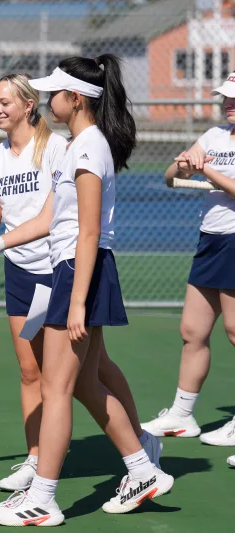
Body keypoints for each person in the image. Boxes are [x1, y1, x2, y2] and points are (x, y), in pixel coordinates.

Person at [0, 73, 161, 492]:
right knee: (32, 372)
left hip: (59, 272)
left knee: (87, 371)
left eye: (4, 102)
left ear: (28, 105)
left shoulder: (60, 148)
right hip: (20, 273)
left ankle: (138, 445)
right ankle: (38, 461)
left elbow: (61, 222)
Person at [0, 56, 174, 526]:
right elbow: (48, 220)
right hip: (76, 268)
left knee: (57, 387)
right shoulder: (79, 144)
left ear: (75, 99)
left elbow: (87, 231)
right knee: (81, 381)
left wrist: (77, 299)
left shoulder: (84, 149)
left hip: (80, 269)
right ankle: (142, 466)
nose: (48, 100)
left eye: (54, 93)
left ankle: (43, 498)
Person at [141, 74, 235, 458]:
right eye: (224, 98)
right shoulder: (214, 136)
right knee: (192, 330)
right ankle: (182, 414)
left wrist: (206, 171)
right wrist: (182, 165)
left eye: (233, 99)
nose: (227, 104)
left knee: (234, 330)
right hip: (211, 240)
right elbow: (169, 177)